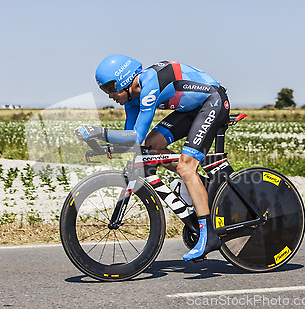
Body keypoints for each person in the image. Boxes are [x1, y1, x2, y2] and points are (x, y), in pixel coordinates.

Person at [75, 54, 230, 261]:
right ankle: (197, 185)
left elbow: (135, 136)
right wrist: (105, 149)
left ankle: (208, 235)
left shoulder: (151, 83)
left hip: (213, 101)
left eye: (111, 87)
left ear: (124, 79)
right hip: (192, 109)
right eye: (105, 90)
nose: (110, 94)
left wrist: (101, 133)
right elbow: (134, 143)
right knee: (151, 146)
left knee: (186, 168)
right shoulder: (131, 100)